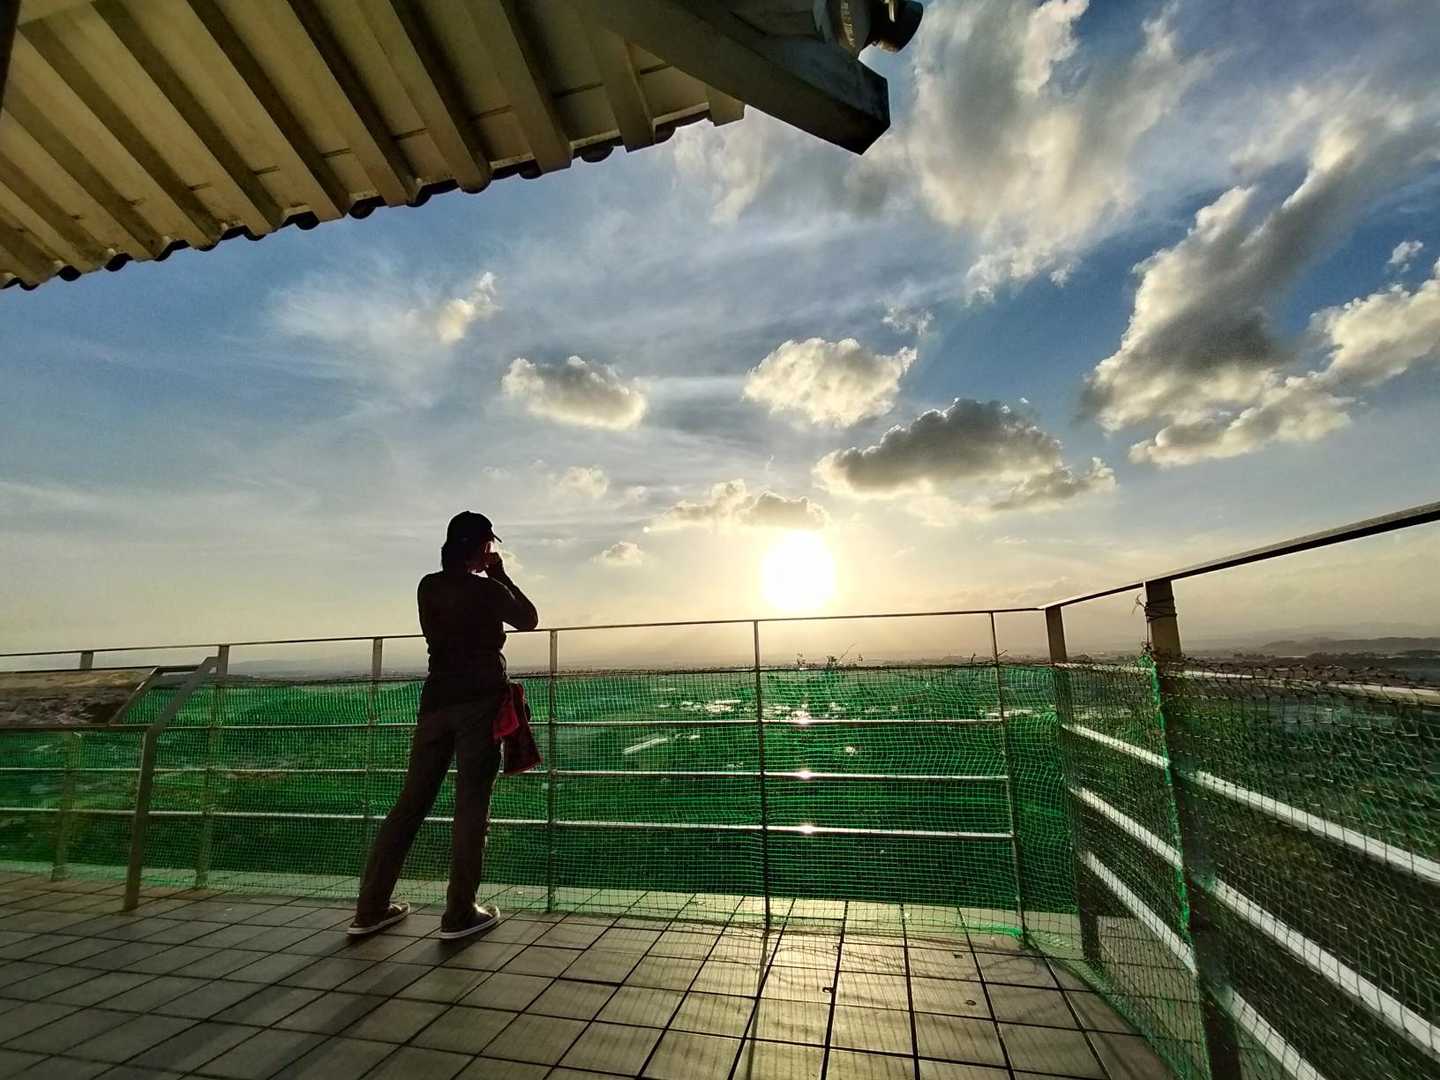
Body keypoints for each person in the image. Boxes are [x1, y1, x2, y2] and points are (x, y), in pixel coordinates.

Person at [348, 511, 538, 940]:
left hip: (435, 705)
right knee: (471, 808)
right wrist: (500, 574)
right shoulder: (488, 590)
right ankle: (459, 914)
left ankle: (370, 908)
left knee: (409, 806)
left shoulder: (428, 586)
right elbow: (528, 618)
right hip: (480, 705)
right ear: (481, 548)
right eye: (488, 546)